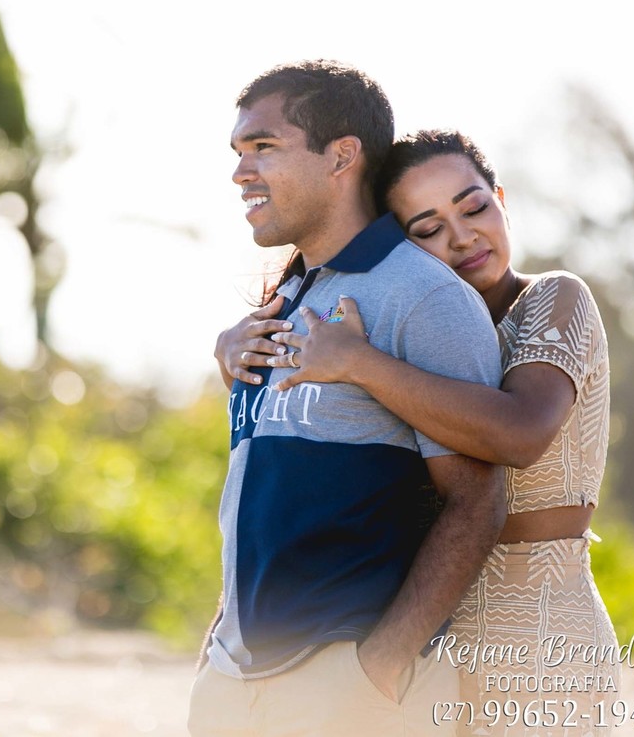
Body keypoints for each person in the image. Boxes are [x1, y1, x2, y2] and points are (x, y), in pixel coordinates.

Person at [227, 129, 620, 735]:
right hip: (424, 629)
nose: (461, 237)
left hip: (539, 627)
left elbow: (519, 435)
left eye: (473, 207)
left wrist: (361, 364)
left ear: (502, 198)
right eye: (426, 228)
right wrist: (232, 348)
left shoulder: (553, 298)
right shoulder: (403, 321)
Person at [190, 60, 507, 737]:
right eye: (239, 152)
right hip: (234, 680)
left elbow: (477, 499)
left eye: (264, 147)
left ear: (341, 156)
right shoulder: (285, 298)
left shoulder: (423, 295)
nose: (241, 171)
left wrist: (380, 668)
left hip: (346, 685)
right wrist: (218, 646)